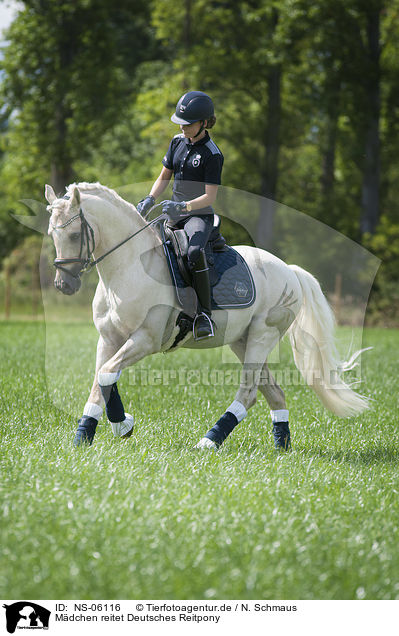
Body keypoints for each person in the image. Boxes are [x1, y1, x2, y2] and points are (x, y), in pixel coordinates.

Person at [137, 90, 224, 340]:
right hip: (171, 211)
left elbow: (210, 197)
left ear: (204, 123)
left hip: (198, 215)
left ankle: (204, 314)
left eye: (188, 124)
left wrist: (184, 207)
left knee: (193, 252)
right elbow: (165, 175)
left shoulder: (212, 154)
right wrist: (149, 199)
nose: (183, 128)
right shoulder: (177, 142)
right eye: (181, 124)